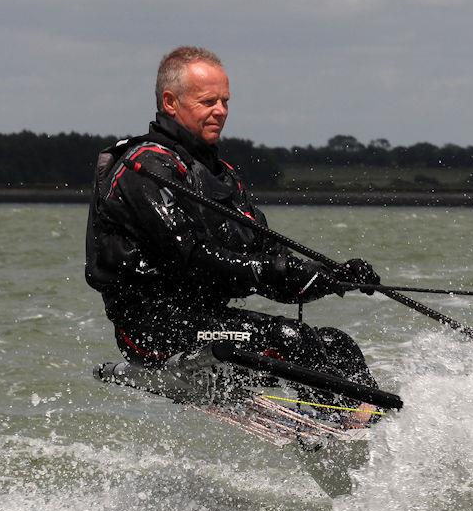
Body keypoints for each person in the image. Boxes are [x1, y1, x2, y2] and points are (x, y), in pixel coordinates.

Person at [85, 46, 380, 413]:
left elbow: (267, 259)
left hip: (207, 320)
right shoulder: (143, 171)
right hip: (153, 330)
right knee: (293, 340)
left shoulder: (219, 177)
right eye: (208, 101)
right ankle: (331, 431)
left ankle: (373, 435)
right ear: (170, 102)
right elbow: (191, 258)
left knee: (338, 345)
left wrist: (329, 276)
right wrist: (271, 270)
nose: (221, 111)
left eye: (225, 101)